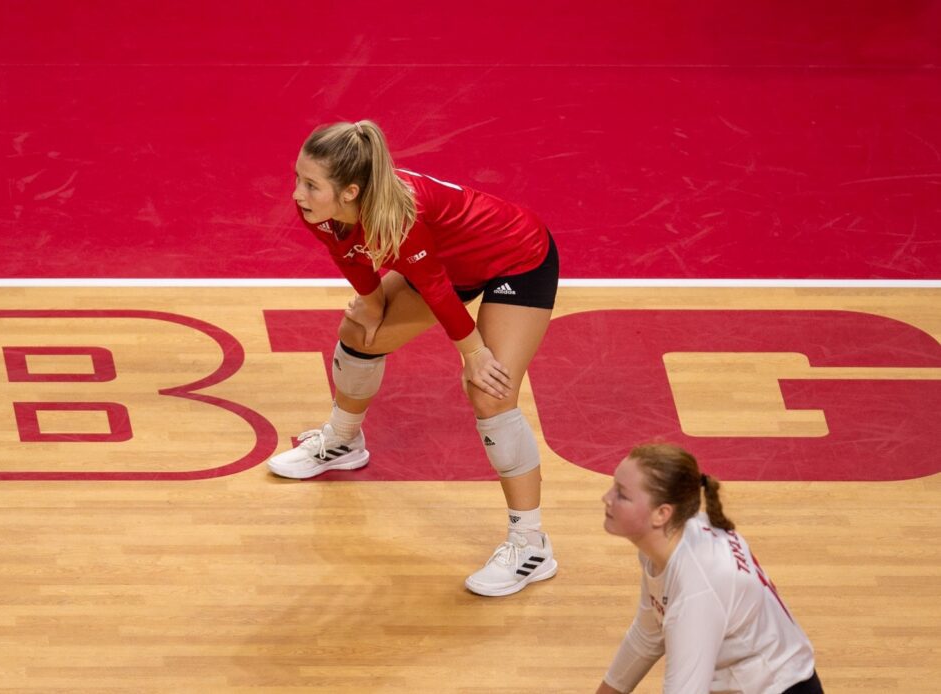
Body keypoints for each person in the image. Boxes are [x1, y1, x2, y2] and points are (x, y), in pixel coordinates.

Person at [267, 119, 560, 597]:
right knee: (360, 331)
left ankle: (531, 546)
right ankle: (344, 443)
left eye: (311, 184)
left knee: (490, 393)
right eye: (298, 178)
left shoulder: (398, 214)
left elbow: (437, 288)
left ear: (350, 191)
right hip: (449, 265)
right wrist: (372, 302)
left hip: (515, 258)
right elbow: (351, 256)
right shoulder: (319, 209)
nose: (297, 193)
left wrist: (474, 354)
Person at [597, 443, 822, 694]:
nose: (606, 498)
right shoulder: (669, 542)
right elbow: (647, 636)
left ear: (661, 514)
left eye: (622, 494)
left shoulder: (696, 590)